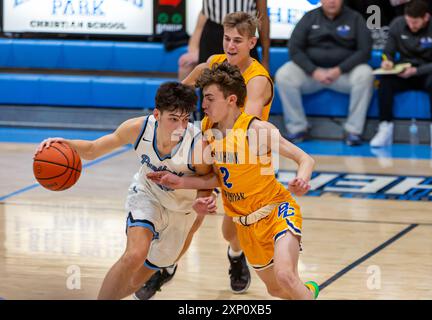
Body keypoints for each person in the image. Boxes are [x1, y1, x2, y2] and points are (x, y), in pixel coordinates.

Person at [135, 11, 274, 300]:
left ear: (252, 42)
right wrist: (167, 109)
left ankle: (236, 255)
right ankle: (166, 267)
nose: (231, 46)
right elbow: (184, 87)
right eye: (226, 38)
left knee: (231, 230)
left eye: (238, 40)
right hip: (211, 147)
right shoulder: (215, 63)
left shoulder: (258, 80)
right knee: (193, 217)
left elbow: (243, 129)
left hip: (246, 159)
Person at [150, 62, 319, 300]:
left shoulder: (256, 129)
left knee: (286, 276)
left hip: (276, 211)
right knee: (277, 290)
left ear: (230, 100)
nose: (204, 105)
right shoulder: (209, 130)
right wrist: (179, 182)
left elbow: (305, 159)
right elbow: (216, 179)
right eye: (203, 98)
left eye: (209, 98)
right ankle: (310, 292)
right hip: (245, 224)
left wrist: (301, 181)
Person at [35, 82, 214, 300]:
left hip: (181, 209)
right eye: (173, 119)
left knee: (137, 281)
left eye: (185, 119)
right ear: (157, 114)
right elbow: (93, 149)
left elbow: (207, 182)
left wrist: (202, 202)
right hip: (148, 194)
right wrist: (65, 144)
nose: (180, 127)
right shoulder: (138, 128)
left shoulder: (197, 145)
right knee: (134, 256)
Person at [275, 0, 374, 146]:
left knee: (366, 74)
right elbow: (294, 49)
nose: (332, 1)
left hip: (343, 75)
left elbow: (365, 51)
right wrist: (313, 70)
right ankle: (298, 128)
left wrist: (339, 69)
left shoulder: (355, 18)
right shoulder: (309, 17)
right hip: (312, 76)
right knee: (284, 75)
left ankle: (353, 131)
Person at [370, 0, 432, 149]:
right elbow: (388, 52)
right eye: (409, 21)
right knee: (385, 81)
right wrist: (388, 62)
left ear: (425, 17)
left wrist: (417, 71)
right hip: (404, 71)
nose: (412, 25)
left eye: (415, 22)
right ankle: (384, 127)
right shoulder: (397, 24)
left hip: (428, 72)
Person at [178, 0, 270, 81]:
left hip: (244, 32)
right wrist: (194, 48)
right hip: (213, 33)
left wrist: (265, 60)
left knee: (244, 84)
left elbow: (263, 16)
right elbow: (204, 12)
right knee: (209, 89)